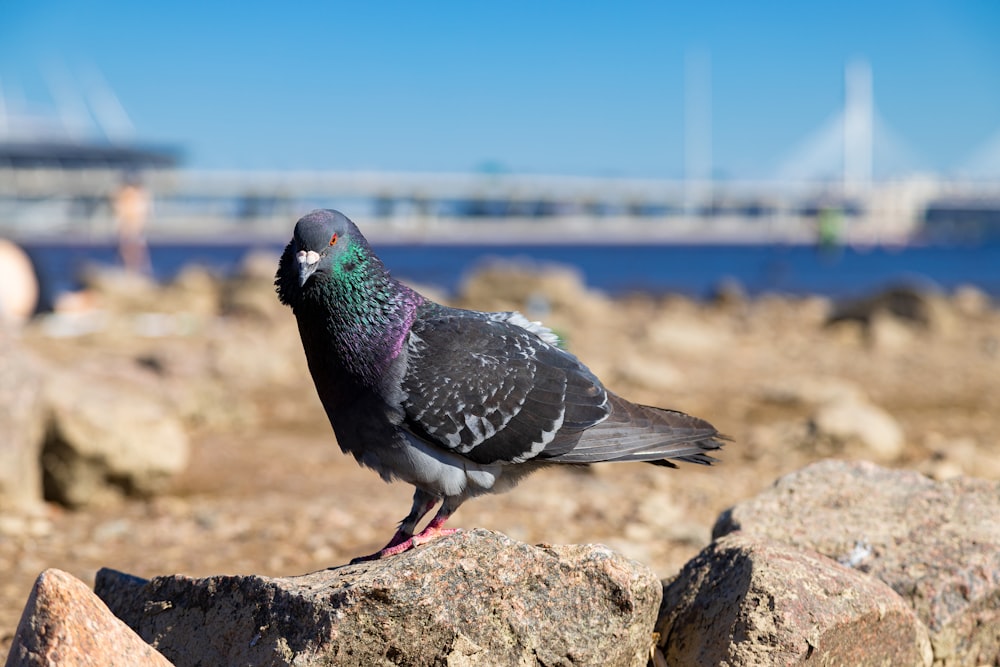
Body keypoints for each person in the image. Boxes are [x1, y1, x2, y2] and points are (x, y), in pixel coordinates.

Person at [112, 171, 152, 274]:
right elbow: (118, 207)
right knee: (125, 247)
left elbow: (143, 209)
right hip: (126, 222)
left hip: (135, 222)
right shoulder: (122, 193)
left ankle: (139, 270)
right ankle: (126, 269)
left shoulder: (140, 193)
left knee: (137, 246)